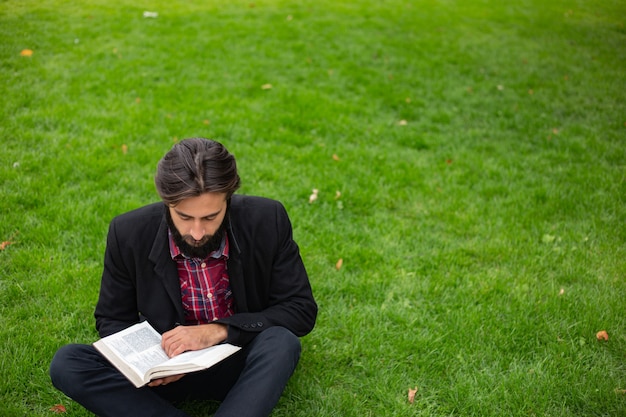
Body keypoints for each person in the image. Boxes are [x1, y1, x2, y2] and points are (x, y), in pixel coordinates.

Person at [49, 138, 318, 417]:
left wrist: (218, 330)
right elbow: (112, 318)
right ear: (166, 202)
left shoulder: (266, 218)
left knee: (282, 342)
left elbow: (299, 309)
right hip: (167, 368)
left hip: (239, 358)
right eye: (185, 217)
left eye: (211, 217)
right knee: (69, 362)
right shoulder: (128, 232)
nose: (198, 232)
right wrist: (152, 363)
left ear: (229, 198)